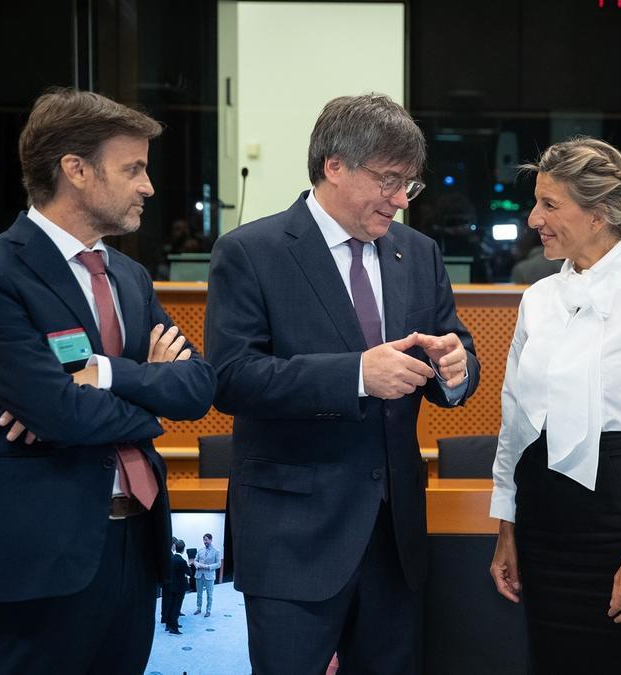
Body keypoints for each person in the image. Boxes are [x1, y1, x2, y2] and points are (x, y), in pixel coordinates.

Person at [206, 93, 481, 674]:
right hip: (294, 539)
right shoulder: (251, 252)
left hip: (395, 541)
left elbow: (455, 348)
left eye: (411, 185)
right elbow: (231, 378)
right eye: (389, 181)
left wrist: (457, 371)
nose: (401, 200)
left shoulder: (419, 253)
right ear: (335, 165)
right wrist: (355, 375)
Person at [0, 88, 217, 674]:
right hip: (40, 558)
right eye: (134, 169)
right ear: (75, 170)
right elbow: (58, 414)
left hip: (136, 546)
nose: (148, 186)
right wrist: (148, 394)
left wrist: (107, 375)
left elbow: (198, 387)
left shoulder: (131, 276)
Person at [489, 137, 621, 673]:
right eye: (537, 202)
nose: (534, 218)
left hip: (617, 527)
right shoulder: (535, 300)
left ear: (599, 214)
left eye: (550, 205)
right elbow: (514, 422)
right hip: (542, 526)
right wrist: (506, 527)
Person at [162, 539, 191, 634]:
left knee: (171, 606)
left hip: (171, 586)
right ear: (183, 550)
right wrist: (189, 566)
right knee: (176, 608)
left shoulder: (171, 558)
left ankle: (169, 624)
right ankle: (173, 627)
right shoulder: (182, 561)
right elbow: (189, 573)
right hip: (179, 587)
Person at [192, 532, 221, 617]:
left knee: (209, 594)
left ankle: (208, 610)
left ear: (211, 540)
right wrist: (196, 564)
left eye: (206, 540)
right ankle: (198, 608)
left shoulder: (216, 551)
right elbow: (195, 560)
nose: (205, 542)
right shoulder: (200, 550)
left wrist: (208, 566)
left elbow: (218, 564)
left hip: (209, 575)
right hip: (199, 574)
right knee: (199, 593)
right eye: (204, 540)